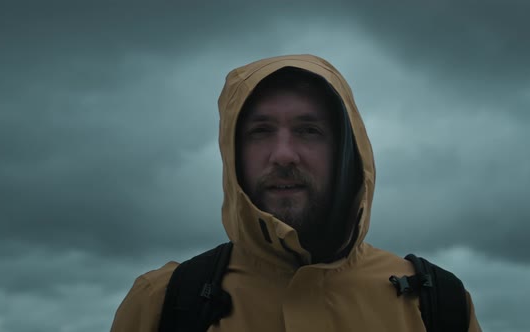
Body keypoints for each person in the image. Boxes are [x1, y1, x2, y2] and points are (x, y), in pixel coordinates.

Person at [110, 54, 482, 331]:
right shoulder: (164, 303)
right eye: (260, 131)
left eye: (308, 130)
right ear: (232, 152)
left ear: (346, 153)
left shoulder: (437, 303)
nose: (284, 154)